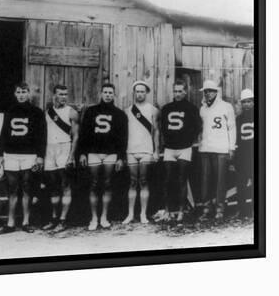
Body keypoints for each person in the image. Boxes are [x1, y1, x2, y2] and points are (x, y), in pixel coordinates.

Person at [0, 82, 46, 234]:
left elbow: (42, 136)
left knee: (27, 188)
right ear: (15, 94)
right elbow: (4, 133)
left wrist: (40, 156)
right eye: (19, 92)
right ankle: (10, 223)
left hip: (29, 155)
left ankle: (26, 222)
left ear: (29, 93)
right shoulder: (9, 110)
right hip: (11, 154)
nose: (22, 95)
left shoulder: (37, 112)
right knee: (12, 189)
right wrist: (0, 154)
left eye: (24, 92)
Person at [79, 83, 128, 230]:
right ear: (101, 94)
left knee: (107, 184)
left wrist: (120, 157)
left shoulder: (119, 114)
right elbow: (84, 134)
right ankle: (94, 218)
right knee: (93, 184)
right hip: (93, 153)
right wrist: (82, 153)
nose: (107, 95)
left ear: (114, 95)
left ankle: (104, 216)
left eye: (110, 93)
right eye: (105, 92)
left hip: (110, 154)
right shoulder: (91, 111)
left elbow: (123, 138)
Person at [160, 80, 201, 223]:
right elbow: (163, 128)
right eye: (175, 91)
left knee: (182, 179)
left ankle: (181, 211)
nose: (177, 94)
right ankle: (167, 210)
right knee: (167, 180)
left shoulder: (192, 108)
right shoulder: (166, 108)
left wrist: (187, 140)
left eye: (180, 91)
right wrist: (169, 141)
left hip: (185, 148)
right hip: (170, 148)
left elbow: (197, 127)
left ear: (185, 92)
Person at [41, 85, 79, 233]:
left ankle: (63, 220)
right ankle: (54, 218)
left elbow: (76, 136)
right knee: (53, 186)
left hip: (64, 147)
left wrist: (71, 156)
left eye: (65, 94)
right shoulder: (47, 113)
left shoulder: (71, 112)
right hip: (49, 149)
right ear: (54, 95)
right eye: (60, 94)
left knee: (65, 185)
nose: (63, 97)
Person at [198, 80, 236, 222]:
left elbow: (232, 128)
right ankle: (206, 209)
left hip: (221, 148)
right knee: (205, 180)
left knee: (220, 180)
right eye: (205, 91)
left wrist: (231, 147)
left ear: (216, 92)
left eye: (210, 91)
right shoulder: (202, 108)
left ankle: (220, 209)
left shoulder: (226, 107)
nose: (207, 93)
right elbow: (202, 129)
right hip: (206, 148)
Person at [124, 80, 160, 224]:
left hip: (146, 150)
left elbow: (156, 132)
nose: (139, 94)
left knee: (144, 181)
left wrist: (156, 151)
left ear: (146, 93)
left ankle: (143, 214)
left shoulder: (153, 110)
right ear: (134, 93)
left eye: (142, 91)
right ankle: (130, 214)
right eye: (137, 91)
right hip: (131, 150)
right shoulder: (127, 110)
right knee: (133, 182)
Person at [234, 89, 254, 219]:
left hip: (253, 154)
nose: (246, 104)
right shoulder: (239, 118)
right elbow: (237, 139)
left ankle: (252, 210)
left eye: (249, 101)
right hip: (242, 155)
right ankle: (242, 211)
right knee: (240, 183)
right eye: (244, 102)